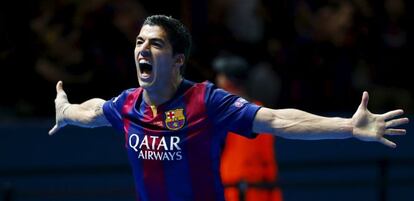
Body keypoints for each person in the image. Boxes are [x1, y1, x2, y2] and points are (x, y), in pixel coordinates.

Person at [49, 15, 409, 201]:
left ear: (177, 60)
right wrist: (65, 111)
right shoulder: (125, 104)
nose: (142, 49)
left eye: (155, 44)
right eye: (140, 41)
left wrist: (346, 126)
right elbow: (92, 112)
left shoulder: (207, 100)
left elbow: (278, 119)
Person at [213, 54, 282, 201]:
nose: (217, 80)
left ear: (228, 81)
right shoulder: (261, 110)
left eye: (221, 75)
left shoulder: (222, 113)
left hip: (237, 191)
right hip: (256, 190)